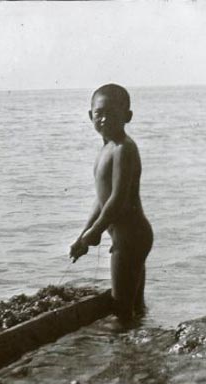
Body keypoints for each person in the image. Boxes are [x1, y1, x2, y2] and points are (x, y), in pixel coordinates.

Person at [69, 84, 153, 323]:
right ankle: (140, 350)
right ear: (90, 116)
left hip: (131, 238)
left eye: (113, 114)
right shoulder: (106, 148)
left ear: (127, 117)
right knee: (135, 305)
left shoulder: (124, 149)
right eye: (99, 114)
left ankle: (124, 355)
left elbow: (118, 198)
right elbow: (102, 197)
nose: (104, 119)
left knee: (121, 307)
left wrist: (96, 232)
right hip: (127, 237)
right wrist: (84, 233)